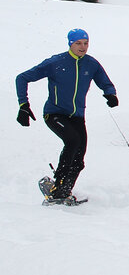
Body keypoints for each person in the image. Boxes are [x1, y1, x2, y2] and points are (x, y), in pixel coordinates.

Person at [15, 28, 119, 202]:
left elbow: (105, 82)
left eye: (86, 43)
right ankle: (58, 187)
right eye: (78, 43)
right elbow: (22, 78)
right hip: (54, 114)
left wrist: (110, 93)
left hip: (77, 116)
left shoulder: (91, 64)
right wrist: (23, 105)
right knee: (72, 141)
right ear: (70, 43)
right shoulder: (56, 62)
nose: (83, 47)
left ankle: (63, 191)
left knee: (79, 157)